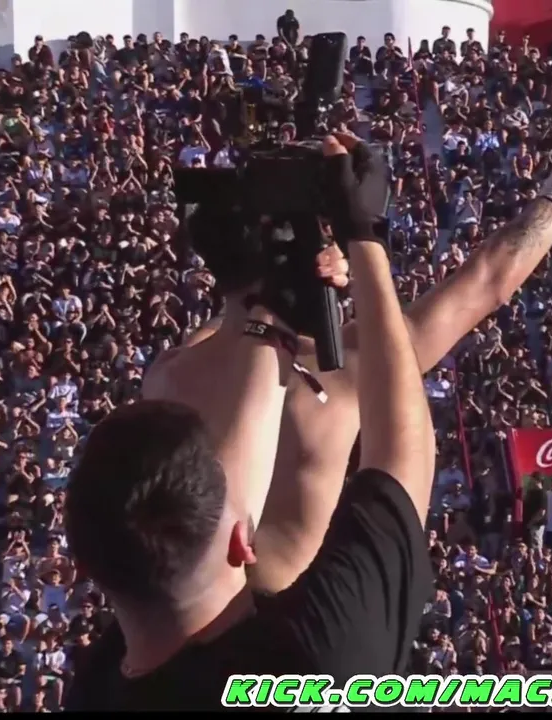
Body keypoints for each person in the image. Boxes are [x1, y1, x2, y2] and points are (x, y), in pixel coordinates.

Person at [180, 77, 552, 594]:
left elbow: (238, 302)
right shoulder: (348, 369)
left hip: (196, 622)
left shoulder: (174, 373)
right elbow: (489, 281)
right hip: (300, 619)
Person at [64, 134, 435, 709]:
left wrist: (262, 307)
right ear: (244, 543)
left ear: (87, 563)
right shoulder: (314, 661)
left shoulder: (97, 688)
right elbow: (402, 460)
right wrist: (363, 233)